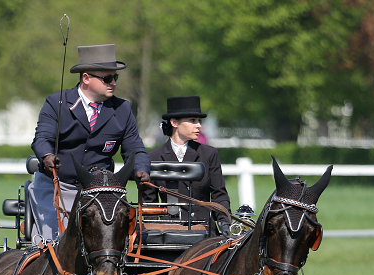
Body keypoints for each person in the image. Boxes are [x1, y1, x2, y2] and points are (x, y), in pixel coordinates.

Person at [29, 44, 151, 242]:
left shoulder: (123, 109)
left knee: (111, 245)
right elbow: (42, 138)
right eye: (107, 78)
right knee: (54, 245)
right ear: (86, 78)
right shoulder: (56, 103)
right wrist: (46, 156)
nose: (114, 83)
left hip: (100, 191)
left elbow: (136, 148)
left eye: (115, 78)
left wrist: (141, 168)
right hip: (58, 187)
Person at [142, 96, 231, 236]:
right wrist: (153, 232)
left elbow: (219, 195)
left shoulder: (209, 154)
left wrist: (225, 222)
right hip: (167, 232)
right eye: (192, 121)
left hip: (204, 231)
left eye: (199, 121)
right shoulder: (153, 157)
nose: (199, 125)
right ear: (174, 122)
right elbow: (149, 203)